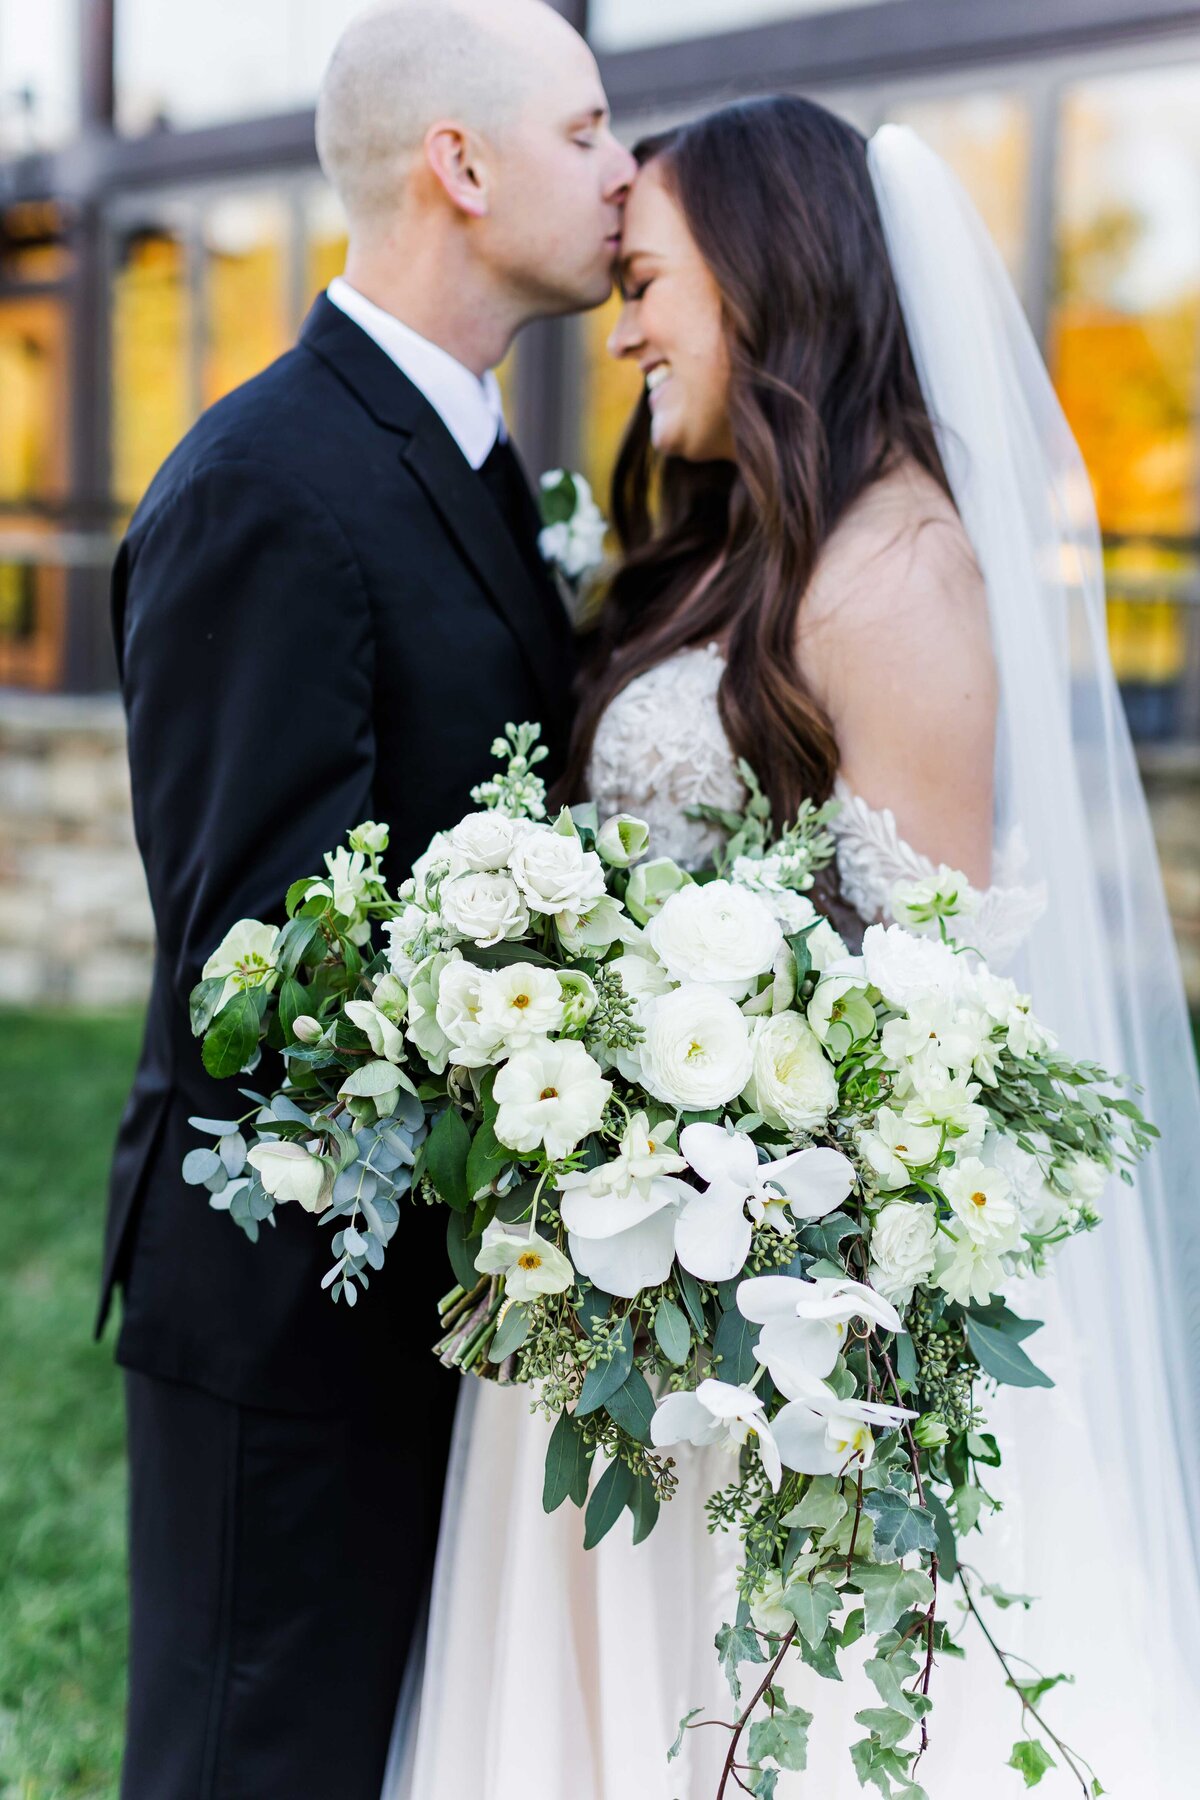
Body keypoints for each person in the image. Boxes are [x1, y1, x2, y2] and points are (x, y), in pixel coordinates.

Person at [391, 97, 1200, 1796]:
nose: (620, 330)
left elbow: (934, 1022)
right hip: (629, 1267)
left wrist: (687, 1147)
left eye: (649, 285)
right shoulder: (747, 545)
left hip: (769, 1319)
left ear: (766, 280)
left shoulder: (898, 570)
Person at [99, 4, 635, 1794]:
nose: (625, 171)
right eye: (586, 131)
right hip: (288, 1315)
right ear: (459, 166)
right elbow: (263, 965)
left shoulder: (469, 453)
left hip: (436, 1295)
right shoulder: (268, 484)